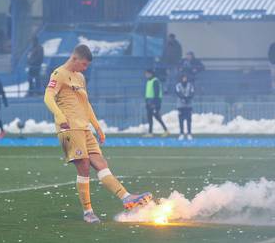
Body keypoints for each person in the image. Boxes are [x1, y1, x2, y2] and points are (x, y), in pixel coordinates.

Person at [44, 44, 152, 223]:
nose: (85, 68)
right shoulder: (58, 74)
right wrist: (60, 114)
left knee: (101, 162)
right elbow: (47, 96)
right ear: (75, 58)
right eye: (84, 64)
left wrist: (98, 127)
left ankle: (126, 197)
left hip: (84, 128)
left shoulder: (80, 77)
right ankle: (88, 212)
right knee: (84, 166)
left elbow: (86, 105)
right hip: (69, 128)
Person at [144, 69, 168, 137]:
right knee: (150, 117)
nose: (146, 75)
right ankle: (150, 132)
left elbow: (156, 92)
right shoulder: (149, 81)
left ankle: (166, 130)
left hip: (153, 102)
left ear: (150, 74)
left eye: (147, 74)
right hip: (149, 101)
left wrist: (154, 103)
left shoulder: (155, 81)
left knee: (157, 117)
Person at [175, 74, 195, 141]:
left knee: (189, 119)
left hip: (189, 105)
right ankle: (181, 133)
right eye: (183, 78)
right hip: (180, 105)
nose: (184, 79)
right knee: (181, 120)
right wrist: (183, 98)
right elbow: (178, 93)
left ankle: (189, 133)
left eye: (185, 78)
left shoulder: (190, 85)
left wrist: (187, 98)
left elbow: (192, 93)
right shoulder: (178, 85)